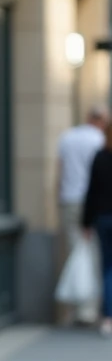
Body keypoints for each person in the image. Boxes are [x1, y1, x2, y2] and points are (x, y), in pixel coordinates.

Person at [58, 105, 108, 257]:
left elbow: (60, 171)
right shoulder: (101, 140)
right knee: (96, 251)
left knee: (75, 250)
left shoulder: (67, 137)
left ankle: (77, 281)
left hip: (70, 198)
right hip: (95, 203)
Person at [82, 115, 112, 338]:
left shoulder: (100, 157)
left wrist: (86, 222)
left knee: (107, 268)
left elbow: (91, 192)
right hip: (103, 218)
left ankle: (107, 317)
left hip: (103, 219)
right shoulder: (99, 156)